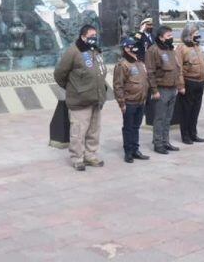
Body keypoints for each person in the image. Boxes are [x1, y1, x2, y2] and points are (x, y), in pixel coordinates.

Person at [54, 24, 108, 171]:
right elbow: (60, 74)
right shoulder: (73, 52)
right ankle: (77, 158)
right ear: (83, 36)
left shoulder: (95, 51)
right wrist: (74, 88)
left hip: (96, 98)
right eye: (91, 36)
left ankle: (91, 155)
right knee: (78, 132)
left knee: (94, 131)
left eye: (95, 36)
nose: (93, 38)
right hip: (80, 101)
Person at [145, 25, 184, 154]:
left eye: (171, 36)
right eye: (168, 36)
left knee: (168, 118)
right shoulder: (153, 50)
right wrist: (154, 90)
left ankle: (165, 141)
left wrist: (179, 85)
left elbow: (177, 69)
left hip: (172, 88)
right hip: (162, 89)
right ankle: (158, 143)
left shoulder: (170, 49)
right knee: (160, 118)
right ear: (161, 37)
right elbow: (150, 72)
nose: (171, 38)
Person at [113, 36, 150, 163]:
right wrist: (121, 103)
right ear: (125, 48)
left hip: (141, 101)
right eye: (131, 46)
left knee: (136, 127)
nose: (134, 48)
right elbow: (118, 85)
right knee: (128, 127)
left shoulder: (139, 62)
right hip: (129, 102)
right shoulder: (122, 64)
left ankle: (135, 149)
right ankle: (128, 152)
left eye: (135, 45)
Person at [174, 25, 204, 144]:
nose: (198, 35)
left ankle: (193, 133)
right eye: (196, 33)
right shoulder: (181, 48)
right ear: (189, 35)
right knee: (186, 110)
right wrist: (181, 85)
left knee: (195, 110)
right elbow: (179, 68)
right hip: (189, 82)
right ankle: (186, 135)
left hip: (200, 82)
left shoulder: (198, 47)